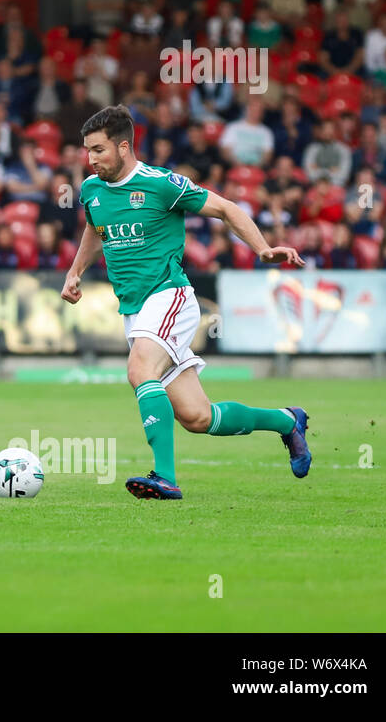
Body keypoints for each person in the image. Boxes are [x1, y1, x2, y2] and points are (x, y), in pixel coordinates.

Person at [61, 105, 310, 501]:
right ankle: (287, 421)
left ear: (124, 147)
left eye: (98, 150)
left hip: (169, 296)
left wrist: (262, 250)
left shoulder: (163, 184)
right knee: (198, 417)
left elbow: (226, 209)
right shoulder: (92, 191)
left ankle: (164, 477)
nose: (90, 160)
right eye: (87, 151)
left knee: (140, 369)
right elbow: (96, 229)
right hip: (135, 311)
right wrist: (75, 272)